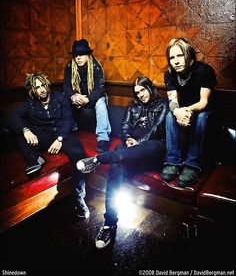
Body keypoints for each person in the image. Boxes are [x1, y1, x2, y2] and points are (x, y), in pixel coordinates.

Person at [76, 75, 169, 249]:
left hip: (152, 150)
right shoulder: (132, 106)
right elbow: (124, 127)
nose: (140, 94)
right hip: (129, 152)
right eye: (137, 92)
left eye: (143, 90)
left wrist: (138, 143)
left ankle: (98, 159)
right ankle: (109, 224)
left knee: (151, 146)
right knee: (117, 164)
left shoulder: (163, 105)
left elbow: (157, 129)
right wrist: (128, 140)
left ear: (150, 88)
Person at [9, 72, 90, 218]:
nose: (42, 90)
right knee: (20, 129)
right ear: (33, 90)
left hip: (62, 135)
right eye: (37, 87)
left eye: (43, 85)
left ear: (47, 84)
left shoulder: (60, 97)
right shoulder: (30, 103)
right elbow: (13, 116)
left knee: (78, 154)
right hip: (44, 136)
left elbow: (68, 120)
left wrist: (59, 139)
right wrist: (26, 130)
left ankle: (79, 198)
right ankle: (34, 159)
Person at [160, 37, 217, 187]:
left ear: (189, 55)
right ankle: (172, 161)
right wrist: (177, 112)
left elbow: (203, 102)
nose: (176, 61)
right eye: (172, 57)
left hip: (205, 111)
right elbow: (172, 100)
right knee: (169, 116)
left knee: (201, 117)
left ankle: (192, 165)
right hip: (184, 108)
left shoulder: (204, 71)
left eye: (179, 55)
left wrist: (184, 111)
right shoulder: (170, 74)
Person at [63, 39, 111, 153]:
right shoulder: (70, 66)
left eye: (81, 54)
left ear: (88, 54)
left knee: (100, 102)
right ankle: (66, 131)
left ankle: (103, 138)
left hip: (92, 97)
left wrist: (87, 99)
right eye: (75, 55)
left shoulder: (96, 66)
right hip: (77, 97)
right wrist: (73, 97)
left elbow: (100, 89)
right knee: (63, 98)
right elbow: (66, 86)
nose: (78, 58)